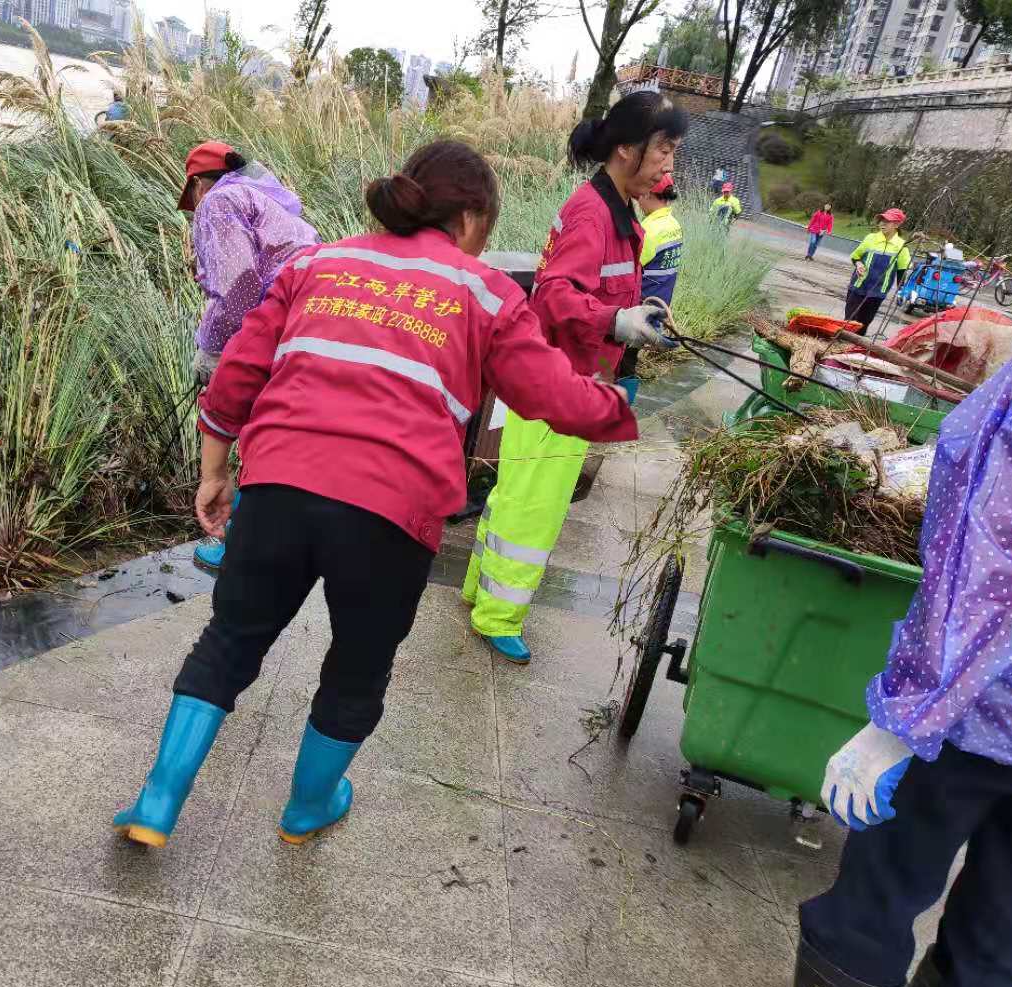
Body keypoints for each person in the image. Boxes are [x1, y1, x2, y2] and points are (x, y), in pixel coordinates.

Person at [112, 141, 636, 849]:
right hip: (392, 510)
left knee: (229, 640)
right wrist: (618, 404)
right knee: (357, 668)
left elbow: (236, 374)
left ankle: (157, 800)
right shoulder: (487, 292)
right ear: (473, 218)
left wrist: (214, 472)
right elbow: (554, 397)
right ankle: (307, 808)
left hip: (279, 485)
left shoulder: (315, 264)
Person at [702, 299, 1012, 987]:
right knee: (1011, 916)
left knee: (886, 880)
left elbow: (1004, 558)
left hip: (996, 699)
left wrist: (909, 717)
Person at [462, 91, 685, 665]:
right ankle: (498, 615)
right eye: (663, 149)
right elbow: (556, 295)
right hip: (557, 385)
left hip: (559, 377)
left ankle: (478, 588)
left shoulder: (617, 210)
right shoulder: (594, 213)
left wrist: (635, 317)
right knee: (536, 503)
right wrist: (615, 321)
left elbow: (598, 290)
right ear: (626, 149)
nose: (668, 164)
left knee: (516, 491)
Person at [178, 140, 320, 572]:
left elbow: (238, 288)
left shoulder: (219, 203)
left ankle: (240, 543)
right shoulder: (266, 199)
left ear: (199, 184)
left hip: (278, 322)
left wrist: (212, 350)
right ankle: (265, 535)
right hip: (313, 320)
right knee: (283, 431)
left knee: (255, 430)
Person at [618, 173, 683, 393]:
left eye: (641, 195)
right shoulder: (673, 224)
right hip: (657, 308)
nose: (637, 200)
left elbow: (628, 268)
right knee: (629, 360)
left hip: (638, 310)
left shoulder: (650, 231)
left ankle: (619, 405)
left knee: (620, 363)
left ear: (648, 194)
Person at [845, 208, 911, 335]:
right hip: (857, 286)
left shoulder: (902, 246)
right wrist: (858, 264)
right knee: (849, 322)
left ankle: (854, 346)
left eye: (887, 221)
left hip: (877, 293)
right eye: (881, 220)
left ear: (897, 225)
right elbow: (855, 256)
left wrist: (901, 292)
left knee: (863, 325)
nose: (882, 224)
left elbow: (902, 272)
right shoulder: (870, 238)